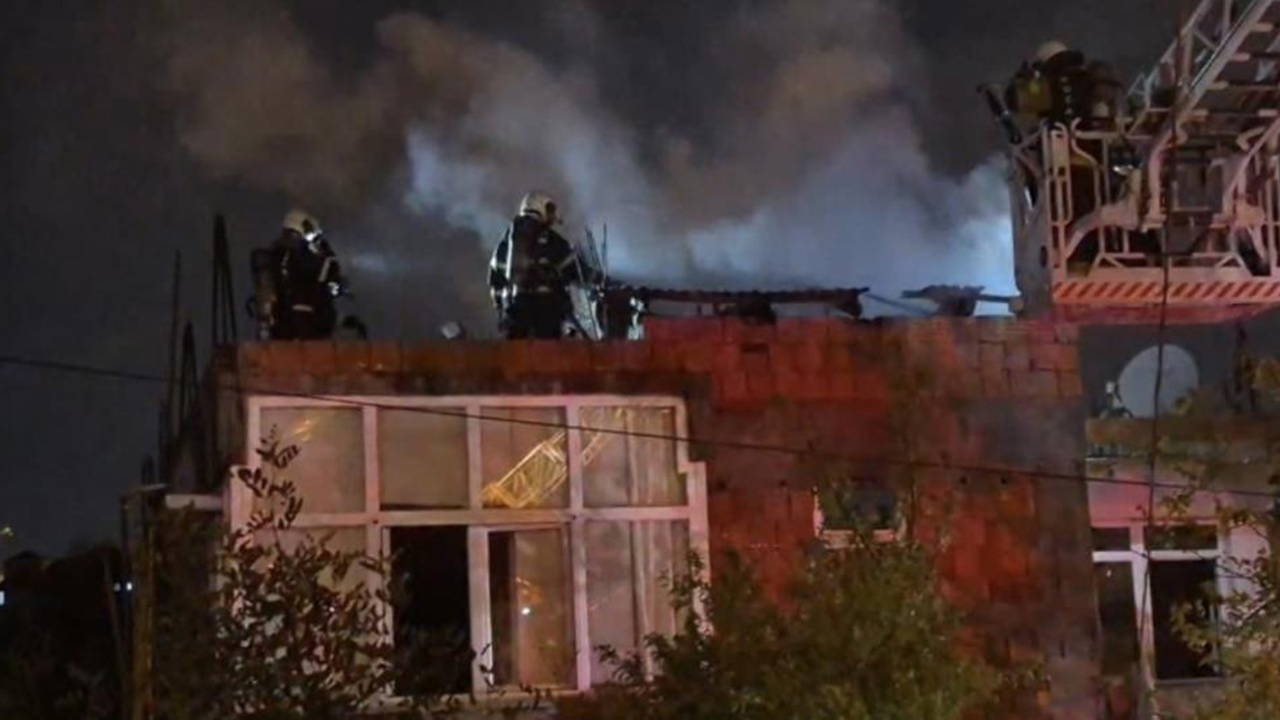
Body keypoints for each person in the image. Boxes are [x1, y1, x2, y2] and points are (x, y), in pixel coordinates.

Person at [488, 191, 582, 339]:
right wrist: (603, 280)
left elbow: (495, 280)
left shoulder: (505, 243)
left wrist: (502, 307)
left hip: (515, 309)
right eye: (549, 210)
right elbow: (576, 271)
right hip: (547, 309)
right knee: (549, 350)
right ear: (540, 207)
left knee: (517, 350)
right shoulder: (553, 241)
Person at [273, 209, 345, 340]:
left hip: (287, 319)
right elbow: (315, 276)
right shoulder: (297, 254)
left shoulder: (278, 253)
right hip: (303, 319)